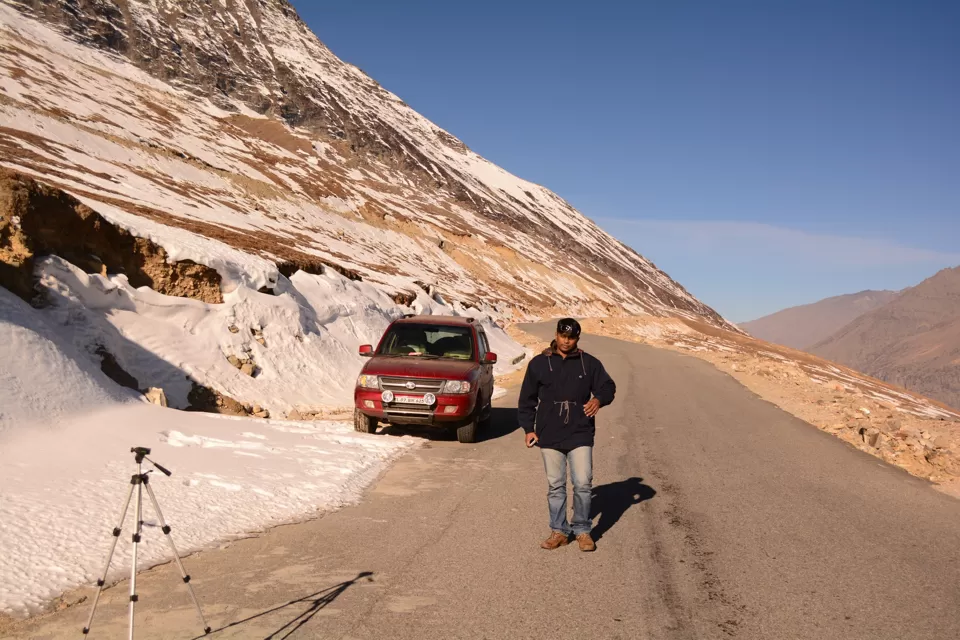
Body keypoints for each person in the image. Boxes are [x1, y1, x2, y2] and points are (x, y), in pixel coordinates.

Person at [518, 318, 616, 551]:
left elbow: (608, 387)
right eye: (563, 336)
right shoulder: (539, 363)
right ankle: (559, 531)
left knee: (582, 483)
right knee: (556, 485)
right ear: (556, 334)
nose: (566, 341)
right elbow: (527, 399)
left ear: (577, 339)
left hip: (580, 431)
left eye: (571, 338)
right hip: (548, 433)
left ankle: (582, 530)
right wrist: (528, 429)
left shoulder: (588, 363)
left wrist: (598, 399)